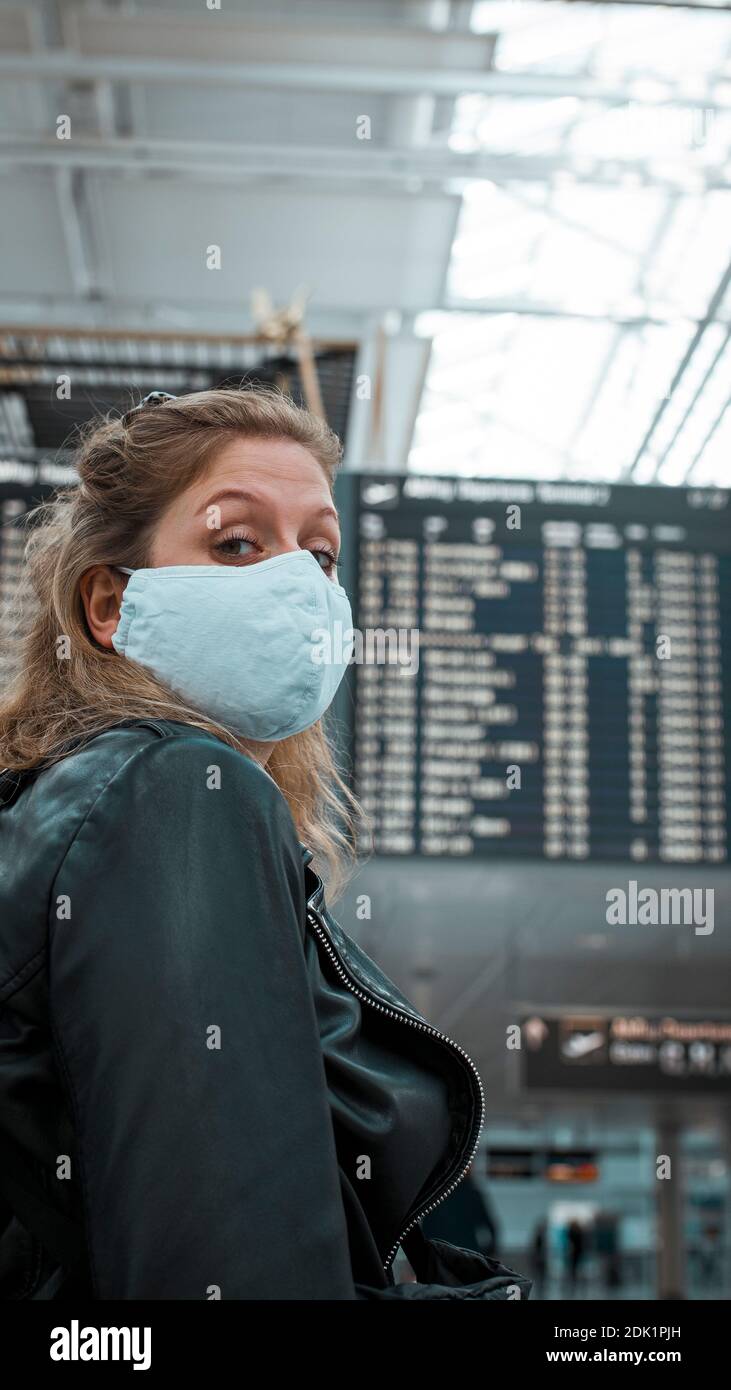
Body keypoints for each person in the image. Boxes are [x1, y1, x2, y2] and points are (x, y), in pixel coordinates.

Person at [0, 386, 532, 1302]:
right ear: (109, 607)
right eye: (237, 543)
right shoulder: (173, 792)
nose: (297, 585)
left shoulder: (84, 805)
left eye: (319, 553)